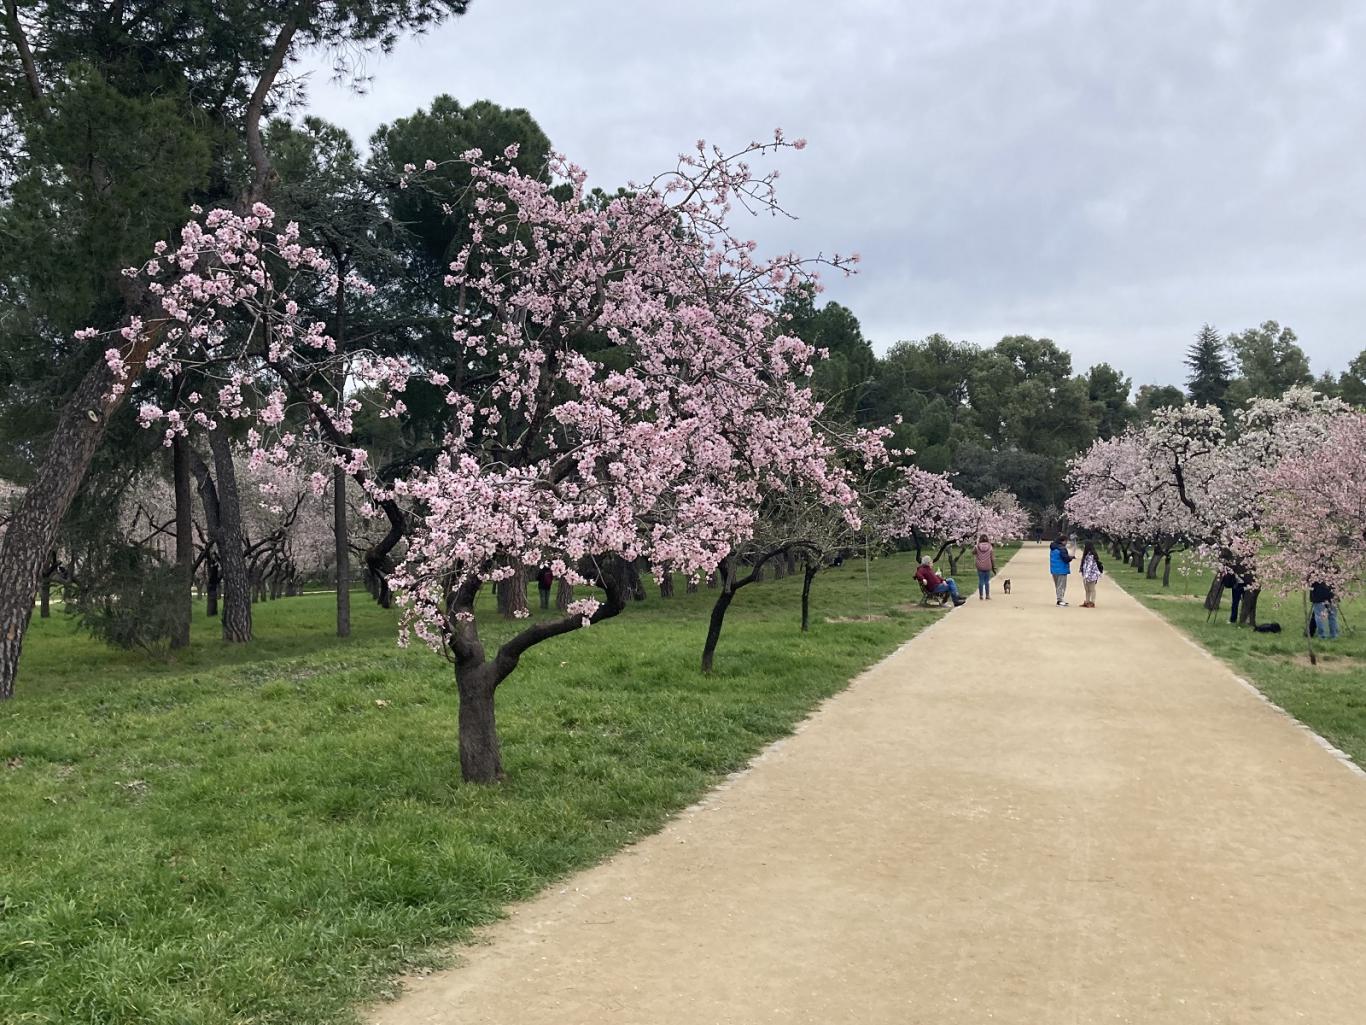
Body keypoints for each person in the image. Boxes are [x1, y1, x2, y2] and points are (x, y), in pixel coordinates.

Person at [1049, 533, 1074, 606]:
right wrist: (1071, 557)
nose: (1066, 543)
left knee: (1057, 585)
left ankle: (1060, 599)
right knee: (1061, 585)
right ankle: (1060, 600)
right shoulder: (1062, 549)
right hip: (1061, 569)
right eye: (1066, 541)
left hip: (1054, 569)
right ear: (1063, 541)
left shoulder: (1053, 548)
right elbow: (1066, 559)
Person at [1079, 542, 1103, 608]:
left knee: (1092, 589)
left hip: (1092, 575)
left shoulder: (1091, 556)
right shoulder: (1087, 555)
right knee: (1087, 589)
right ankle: (1087, 601)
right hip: (1086, 574)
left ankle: (1092, 602)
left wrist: (1086, 576)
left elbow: (1089, 567)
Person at [973, 534, 996, 600]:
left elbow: (973, 552)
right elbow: (992, 558)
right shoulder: (990, 547)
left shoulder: (977, 546)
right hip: (988, 565)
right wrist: (993, 567)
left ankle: (981, 595)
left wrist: (976, 548)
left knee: (981, 580)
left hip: (979, 566)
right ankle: (987, 595)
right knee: (987, 581)